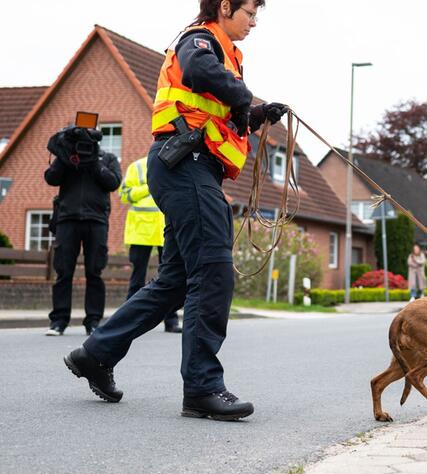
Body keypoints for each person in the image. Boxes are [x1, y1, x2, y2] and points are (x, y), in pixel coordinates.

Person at [63, 0, 287, 421]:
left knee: (175, 282)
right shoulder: (200, 39)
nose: (255, 22)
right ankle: (202, 387)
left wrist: (255, 115)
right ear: (225, 7)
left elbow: (211, 110)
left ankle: (96, 353)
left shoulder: (222, 51)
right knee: (213, 271)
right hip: (187, 166)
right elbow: (199, 71)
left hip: (186, 167)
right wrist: (244, 97)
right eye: (250, 13)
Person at [44, 125, 122, 336]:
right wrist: (64, 155)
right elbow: (51, 178)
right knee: (63, 272)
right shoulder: (68, 158)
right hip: (67, 219)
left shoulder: (107, 158)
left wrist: (94, 162)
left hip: (96, 220)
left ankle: (93, 321)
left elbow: (113, 182)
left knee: (94, 272)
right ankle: (59, 321)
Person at [119, 157, 181, 333]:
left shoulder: (173, 162)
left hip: (165, 229)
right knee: (137, 278)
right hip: (142, 230)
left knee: (171, 277)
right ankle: (129, 320)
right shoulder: (137, 166)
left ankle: (171, 321)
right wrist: (149, 186)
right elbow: (125, 194)